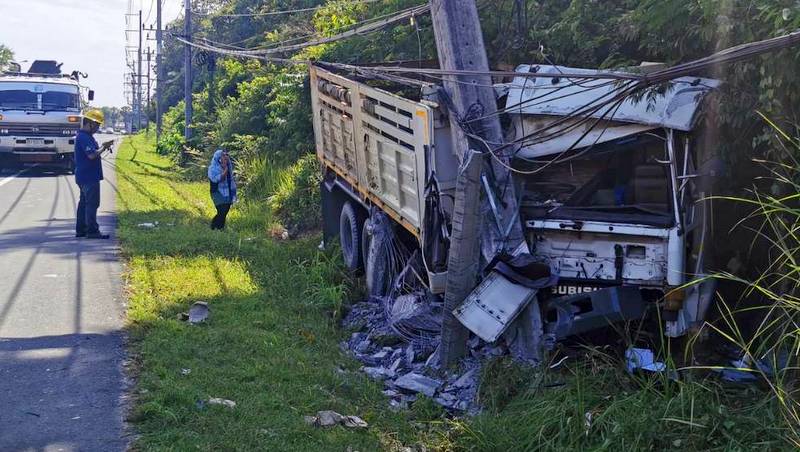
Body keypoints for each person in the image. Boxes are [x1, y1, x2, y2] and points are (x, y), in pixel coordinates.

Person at [74, 109, 112, 239]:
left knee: (84, 202)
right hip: (88, 176)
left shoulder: (85, 136)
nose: (97, 128)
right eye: (96, 125)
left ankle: (81, 230)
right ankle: (92, 230)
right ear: (90, 123)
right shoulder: (84, 137)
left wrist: (102, 147)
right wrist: (104, 147)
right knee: (92, 203)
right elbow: (91, 155)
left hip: (84, 175)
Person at [208, 149, 237, 230]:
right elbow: (219, 179)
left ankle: (219, 228)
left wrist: (226, 168)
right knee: (222, 210)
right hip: (217, 192)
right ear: (218, 157)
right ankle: (215, 227)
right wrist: (225, 170)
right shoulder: (212, 168)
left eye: (226, 155)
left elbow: (231, 179)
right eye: (223, 155)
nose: (225, 157)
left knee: (225, 210)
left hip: (227, 192)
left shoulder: (229, 166)